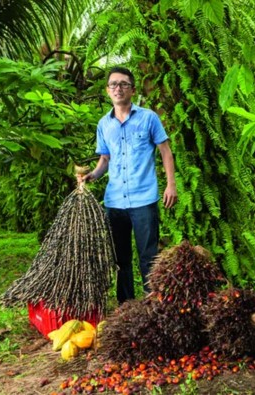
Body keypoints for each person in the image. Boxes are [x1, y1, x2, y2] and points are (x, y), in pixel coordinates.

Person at [78, 66, 177, 303]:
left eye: (123, 84)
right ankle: (126, 307)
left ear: (132, 89)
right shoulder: (104, 124)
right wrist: (93, 175)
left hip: (144, 199)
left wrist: (171, 184)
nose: (118, 88)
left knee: (148, 256)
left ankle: (152, 302)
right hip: (115, 202)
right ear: (107, 90)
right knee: (120, 259)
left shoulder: (148, 118)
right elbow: (105, 159)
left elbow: (165, 151)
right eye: (113, 84)